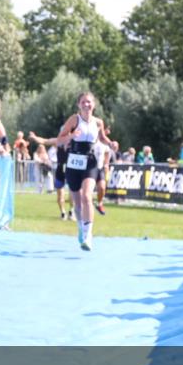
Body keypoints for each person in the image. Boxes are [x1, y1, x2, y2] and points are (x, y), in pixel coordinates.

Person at [55, 92, 110, 250]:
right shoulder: (74, 119)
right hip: (74, 161)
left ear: (94, 104)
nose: (87, 105)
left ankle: (88, 236)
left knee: (87, 196)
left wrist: (111, 143)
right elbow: (60, 139)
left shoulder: (98, 122)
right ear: (79, 105)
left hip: (90, 161)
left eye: (89, 102)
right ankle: (81, 226)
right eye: (83, 102)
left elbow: (102, 138)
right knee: (77, 203)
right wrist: (72, 135)